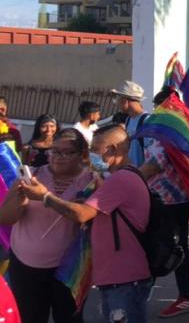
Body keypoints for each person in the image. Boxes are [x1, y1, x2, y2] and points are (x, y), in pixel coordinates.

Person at [19, 124, 151, 323]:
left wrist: (44, 196)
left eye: (96, 149)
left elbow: (80, 215)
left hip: (123, 277)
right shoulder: (117, 177)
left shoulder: (120, 180)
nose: (91, 156)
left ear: (112, 150)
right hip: (117, 275)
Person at [0, 128, 96, 323]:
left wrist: (44, 196)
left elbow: (82, 216)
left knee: (69, 319)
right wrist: (20, 199)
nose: (58, 157)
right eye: (54, 150)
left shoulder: (92, 182)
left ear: (82, 154)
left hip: (70, 271)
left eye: (67, 152)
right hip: (26, 266)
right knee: (30, 318)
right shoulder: (32, 176)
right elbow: (5, 218)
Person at [140, 89, 189, 318]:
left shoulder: (170, 134)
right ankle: (185, 293)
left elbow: (154, 164)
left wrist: (127, 179)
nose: (158, 110)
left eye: (160, 106)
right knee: (167, 245)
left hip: (174, 200)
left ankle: (187, 295)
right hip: (165, 197)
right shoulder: (167, 130)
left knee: (171, 247)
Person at [110, 80, 149, 167]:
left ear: (124, 100)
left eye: (117, 99)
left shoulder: (147, 121)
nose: (116, 104)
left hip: (143, 177)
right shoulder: (128, 120)